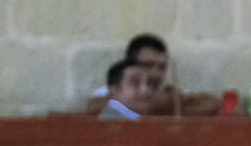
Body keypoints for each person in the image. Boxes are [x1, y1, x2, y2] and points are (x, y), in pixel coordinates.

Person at [86, 34, 220, 116]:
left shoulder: (170, 93)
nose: (156, 73)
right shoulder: (109, 90)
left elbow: (210, 103)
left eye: (161, 67)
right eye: (148, 65)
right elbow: (95, 109)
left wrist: (169, 99)